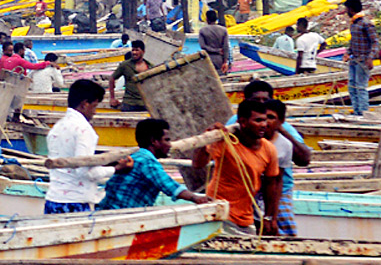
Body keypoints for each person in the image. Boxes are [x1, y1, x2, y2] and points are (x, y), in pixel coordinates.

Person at [192, 99, 281, 236]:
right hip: (219, 212)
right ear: (243, 122)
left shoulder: (269, 149)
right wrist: (207, 138)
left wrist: (270, 217)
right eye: (258, 121)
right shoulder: (225, 142)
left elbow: (271, 184)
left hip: (245, 216)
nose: (264, 125)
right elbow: (198, 164)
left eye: (264, 120)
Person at [98, 118, 210, 210]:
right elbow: (168, 185)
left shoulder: (137, 156)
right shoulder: (147, 161)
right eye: (166, 140)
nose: (170, 145)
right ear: (154, 141)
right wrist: (196, 198)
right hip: (120, 213)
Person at [44, 79, 121, 213]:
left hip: (53, 200)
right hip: (75, 202)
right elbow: (85, 171)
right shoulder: (84, 130)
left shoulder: (57, 127)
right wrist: (117, 169)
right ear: (85, 104)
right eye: (94, 106)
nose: (95, 112)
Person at [262, 98, 311, 235]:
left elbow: (277, 181)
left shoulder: (284, 144)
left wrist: (271, 216)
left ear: (281, 121)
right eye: (263, 118)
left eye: (271, 118)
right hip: (253, 191)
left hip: (277, 191)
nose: (265, 122)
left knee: (288, 232)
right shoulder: (248, 136)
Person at [345, 0, 377, 115]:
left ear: (351, 9)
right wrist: (348, 53)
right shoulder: (354, 23)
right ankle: (357, 112)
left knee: (360, 88)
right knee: (352, 87)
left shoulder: (366, 23)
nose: (346, 12)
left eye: (347, 9)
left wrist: (370, 58)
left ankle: (364, 114)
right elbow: (354, 42)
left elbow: (375, 42)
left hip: (363, 61)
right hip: (354, 60)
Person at [109, 40, 150, 112]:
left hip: (146, 103)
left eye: (137, 50)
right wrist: (112, 98)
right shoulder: (125, 65)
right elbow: (112, 78)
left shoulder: (150, 66)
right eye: (133, 50)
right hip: (129, 103)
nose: (134, 52)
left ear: (143, 52)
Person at [198, 9, 232, 75]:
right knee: (221, 78)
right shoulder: (223, 30)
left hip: (208, 58)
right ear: (216, 19)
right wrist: (225, 61)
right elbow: (226, 46)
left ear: (207, 19)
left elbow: (203, 46)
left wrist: (215, 50)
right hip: (220, 59)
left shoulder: (202, 30)